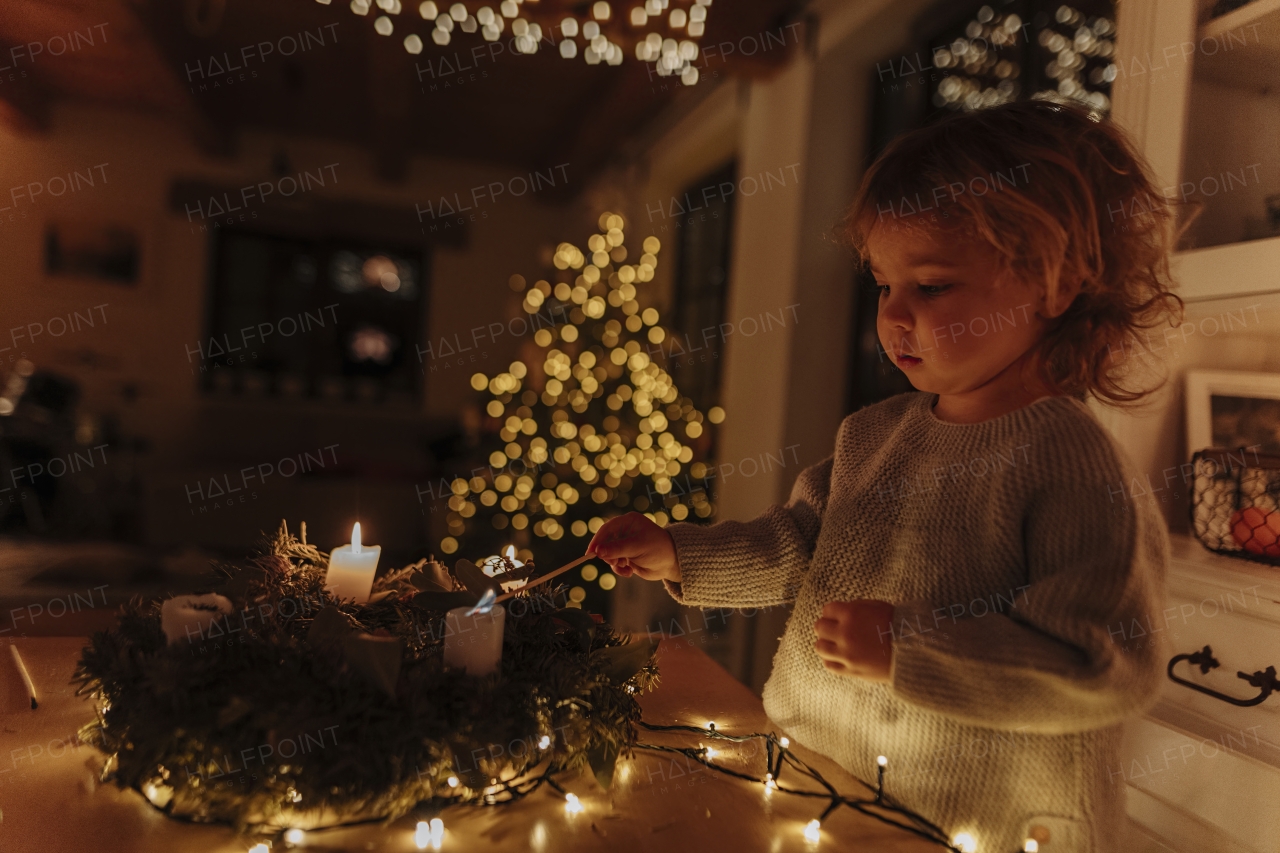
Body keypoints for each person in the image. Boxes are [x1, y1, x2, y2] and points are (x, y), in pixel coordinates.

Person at [588, 100, 1181, 853]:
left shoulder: (1074, 463)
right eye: (883, 285)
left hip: (983, 828)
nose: (894, 315)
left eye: (932, 287)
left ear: (1057, 285)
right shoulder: (873, 434)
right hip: (815, 790)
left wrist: (910, 647)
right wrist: (682, 553)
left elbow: (1102, 665)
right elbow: (801, 545)